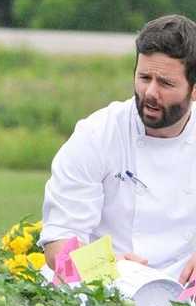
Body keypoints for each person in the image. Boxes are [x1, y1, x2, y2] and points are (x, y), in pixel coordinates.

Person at [39, 14, 196, 284]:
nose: (150, 93)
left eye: (166, 83)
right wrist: (103, 268)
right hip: (99, 287)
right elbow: (58, 245)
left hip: (183, 291)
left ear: (194, 90)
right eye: (144, 77)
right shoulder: (96, 135)